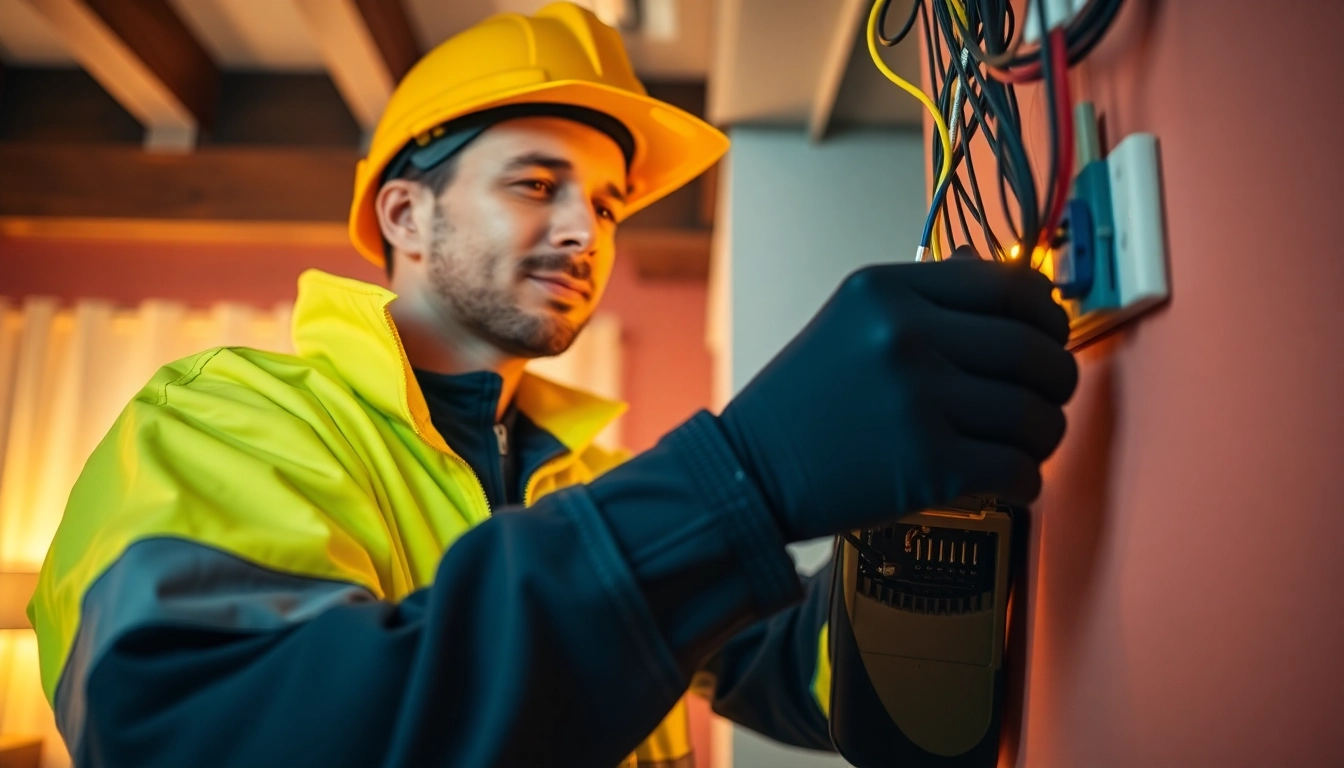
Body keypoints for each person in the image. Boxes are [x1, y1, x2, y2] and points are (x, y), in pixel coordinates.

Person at [27, 4, 1078, 767]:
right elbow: (213, 733)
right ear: (403, 215)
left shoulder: (587, 484)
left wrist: (906, 529)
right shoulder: (222, 420)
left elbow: (812, 685)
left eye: (610, 204)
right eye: (537, 183)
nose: (586, 230)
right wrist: (743, 483)